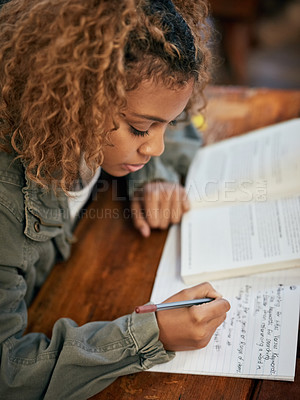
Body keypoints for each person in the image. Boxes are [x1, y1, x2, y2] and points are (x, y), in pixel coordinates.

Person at [0, 0, 230, 398]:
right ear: (71, 99)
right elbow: (8, 375)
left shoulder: (106, 113)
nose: (157, 146)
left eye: (167, 124)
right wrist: (149, 334)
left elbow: (169, 117)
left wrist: (152, 178)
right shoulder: (6, 204)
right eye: (141, 129)